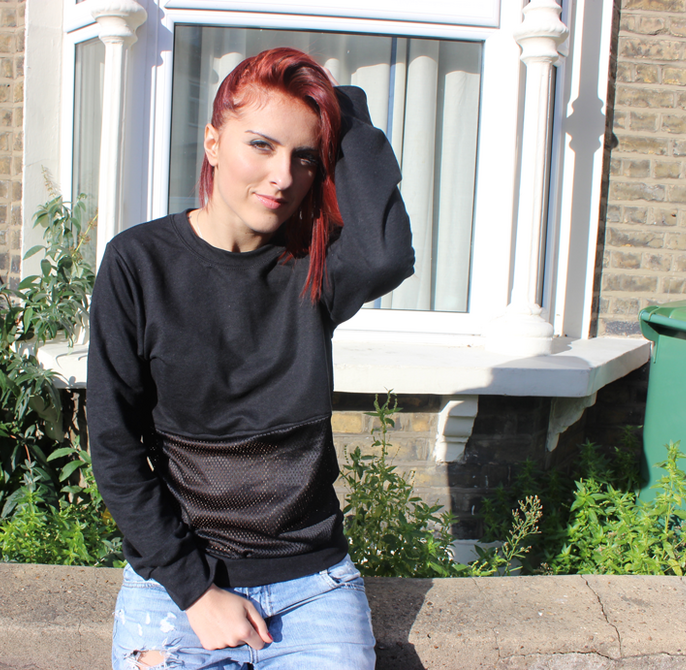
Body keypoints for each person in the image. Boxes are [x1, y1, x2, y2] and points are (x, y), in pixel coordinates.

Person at [87, 46, 414, 670]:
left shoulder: (313, 269)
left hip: (312, 585)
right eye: (261, 145)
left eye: (304, 157)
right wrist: (195, 590)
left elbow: (386, 255)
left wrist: (340, 106)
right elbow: (113, 444)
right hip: (177, 585)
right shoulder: (139, 264)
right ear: (213, 143)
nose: (283, 176)